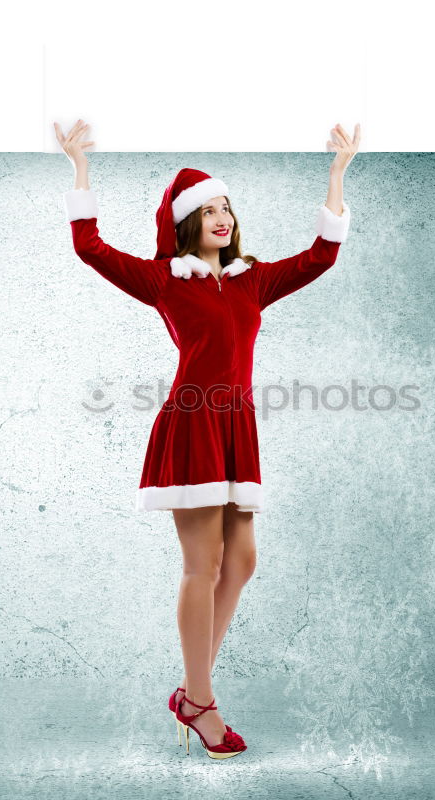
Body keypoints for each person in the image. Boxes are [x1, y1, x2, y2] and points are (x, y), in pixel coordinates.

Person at [54, 119, 360, 759]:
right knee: (205, 565)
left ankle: (192, 692)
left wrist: (337, 173)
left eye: (227, 207)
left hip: (238, 427)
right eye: (208, 209)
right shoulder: (166, 280)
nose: (222, 217)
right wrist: (79, 167)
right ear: (186, 222)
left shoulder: (254, 279)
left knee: (241, 562)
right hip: (192, 424)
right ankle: (201, 702)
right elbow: (91, 249)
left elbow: (322, 255)